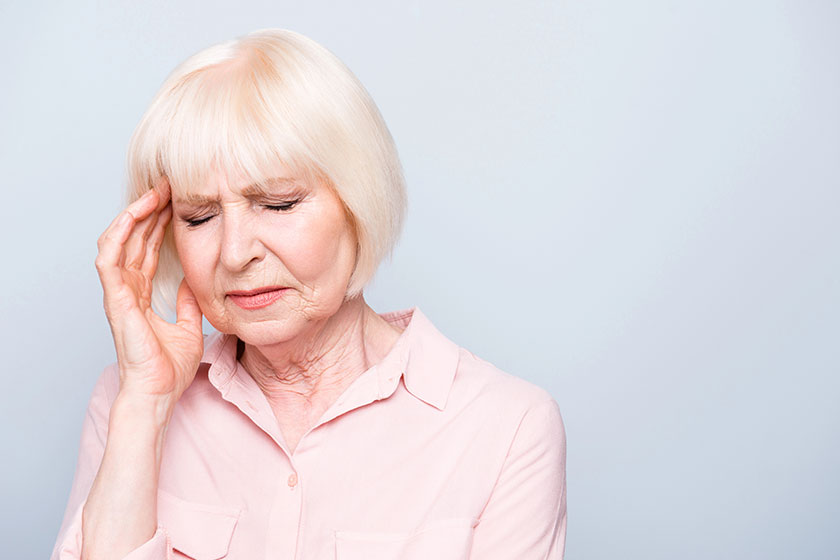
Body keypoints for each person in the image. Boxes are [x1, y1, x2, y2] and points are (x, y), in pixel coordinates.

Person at [50, 28, 566, 560]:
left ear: (357, 203)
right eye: (199, 216)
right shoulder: (127, 401)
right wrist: (145, 409)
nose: (234, 253)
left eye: (277, 204)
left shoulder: (507, 427)